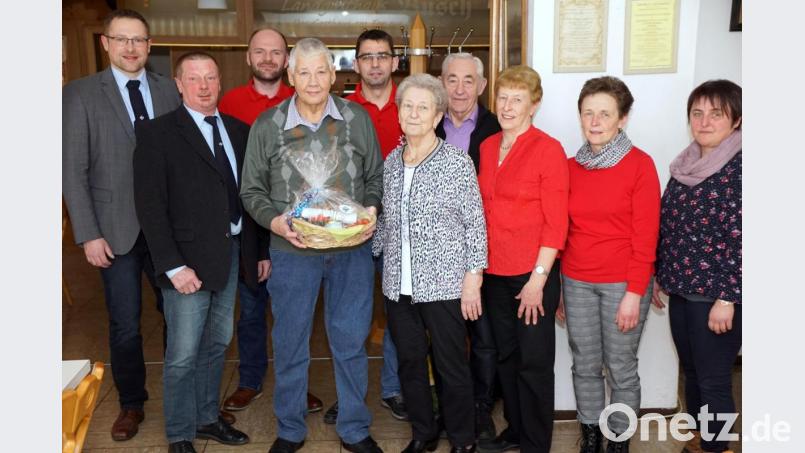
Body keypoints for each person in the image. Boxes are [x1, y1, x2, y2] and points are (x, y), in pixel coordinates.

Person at [240, 38, 384, 453]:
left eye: (321, 71)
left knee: (351, 342)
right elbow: (251, 190)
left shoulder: (357, 119)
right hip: (292, 253)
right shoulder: (268, 125)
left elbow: (375, 177)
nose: (314, 80)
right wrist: (276, 222)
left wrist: (371, 209)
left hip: (351, 252)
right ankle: (289, 429)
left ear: (334, 74)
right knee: (289, 342)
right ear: (290, 76)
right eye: (304, 72)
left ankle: (354, 428)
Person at [62, 8, 181, 442]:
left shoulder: (169, 90)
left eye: (138, 40)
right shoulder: (80, 94)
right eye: (122, 39)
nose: (131, 48)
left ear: (150, 46)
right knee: (125, 323)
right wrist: (88, 234)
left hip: (167, 228)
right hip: (114, 231)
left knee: (178, 315)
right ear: (105, 43)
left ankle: (180, 394)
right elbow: (72, 170)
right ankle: (132, 402)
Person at [133, 52, 252, 453]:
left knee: (217, 343)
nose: (204, 86)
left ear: (220, 82)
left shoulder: (238, 131)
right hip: (185, 262)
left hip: (229, 254)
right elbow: (150, 207)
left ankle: (206, 418)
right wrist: (172, 266)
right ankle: (180, 433)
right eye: (194, 78)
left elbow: (245, 195)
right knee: (183, 354)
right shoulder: (158, 134)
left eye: (210, 78)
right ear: (178, 84)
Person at [374, 73, 486, 453]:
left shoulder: (456, 163)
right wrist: (364, 240)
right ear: (399, 113)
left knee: (450, 365)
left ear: (438, 116)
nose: (414, 113)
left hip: (444, 284)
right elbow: (387, 219)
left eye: (423, 107)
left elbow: (475, 223)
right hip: (398, 285)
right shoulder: (392, 162)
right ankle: (423, 433)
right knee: (409, 362)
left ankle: (462, 439)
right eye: (407, 106)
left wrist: (473, 278)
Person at [218, 26, 324, 416]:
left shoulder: (303, 99)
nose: (267, 59)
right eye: (260, 51)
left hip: (295, 230)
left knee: (293, 314)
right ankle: (249, 380)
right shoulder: (229, 102)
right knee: (251, 308)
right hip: (248, 222)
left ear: (288, 62)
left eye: (276, 52)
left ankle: (295, 384)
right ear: (248, 57)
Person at [558, 76, 660, 453]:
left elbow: (646, 236)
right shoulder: (569, 167)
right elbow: (562, 231)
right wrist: (561, 289)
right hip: (576, 281)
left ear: (623, 118)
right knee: (584, 364)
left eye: (605, 113)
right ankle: (590, 437)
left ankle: (618, 440)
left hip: (623, 284)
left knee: (620, 367)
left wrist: (635, 292)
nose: (595, 121)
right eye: (588, 113)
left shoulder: (640, 165)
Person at [316, 28, 409, 425]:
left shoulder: (411, 104)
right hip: (350, 228)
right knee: (349, 317)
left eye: (382, 56)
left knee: (398, 313)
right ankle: (349, 395)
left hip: (401, 225)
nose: (375, 63)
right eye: (367, 56)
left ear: (394, 61)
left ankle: (393, 388)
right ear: (356, 64)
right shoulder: (340, 110)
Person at [476, 65, 568, 453]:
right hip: (494, 272)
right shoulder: (487, 146)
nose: (508, 106)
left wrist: (538, 280)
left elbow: (556, 223)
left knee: (534, 363)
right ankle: (515, 430)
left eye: (518, 99)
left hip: (532, 275)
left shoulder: (548, 149)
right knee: (507, 359)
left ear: (534, 105)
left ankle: (534, 443)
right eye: (503, 98)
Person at [653, 80, 742, 453]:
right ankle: (699, 440)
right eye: (697, 113)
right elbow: (669, 224)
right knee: (690, 373)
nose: (704, 122)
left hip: (718, 297)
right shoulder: (685, 165)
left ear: (736, 120)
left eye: (716, 114)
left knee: (714, 380)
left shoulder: (741, 168)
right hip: (682, 290)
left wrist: (727, 298)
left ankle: (717, 447)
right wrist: (659, 274)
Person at [436, 51, 501, 441]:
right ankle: (450, 406)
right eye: (452, 80)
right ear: (441, 83)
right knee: (444, 337)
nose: (460, 89)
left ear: (482, 85)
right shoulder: (428, 124)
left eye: (468, 80)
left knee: (483, 337)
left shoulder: (497, 128)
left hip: (483, 247)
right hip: (439, 251)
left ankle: (481, 408)